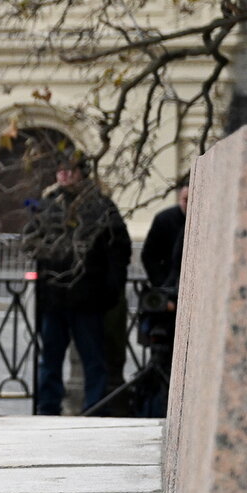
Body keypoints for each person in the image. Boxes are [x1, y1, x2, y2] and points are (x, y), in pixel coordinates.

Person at [23, 151, 131, 415]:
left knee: (93, 360)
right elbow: (30, 241)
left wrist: (110, 289)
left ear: (82, 172)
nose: (64, 174)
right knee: (50, 360)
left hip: (88, 297)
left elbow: (119, 249)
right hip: (54, 297)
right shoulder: (48, 204)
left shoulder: (100, 206)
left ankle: (95, 408)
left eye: (70, 169)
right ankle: (47, 409)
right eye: (60, 169)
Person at [141, 174, 189, 288]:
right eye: (186, 200)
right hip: (168, 282)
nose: (189, 204)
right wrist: (162, 285)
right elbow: (149, 255)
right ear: (179, 199)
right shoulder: (164, 219)